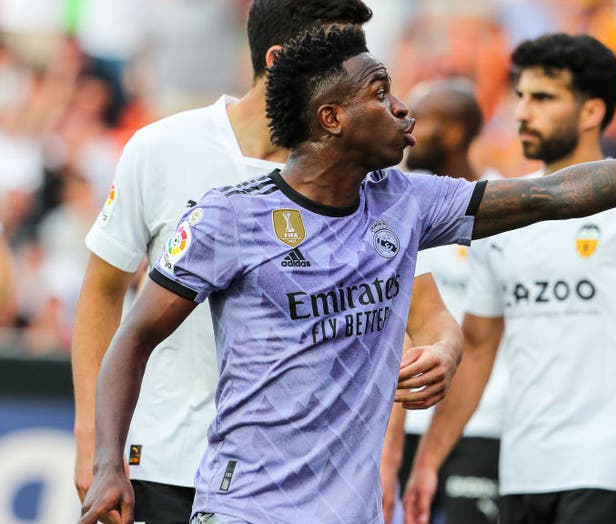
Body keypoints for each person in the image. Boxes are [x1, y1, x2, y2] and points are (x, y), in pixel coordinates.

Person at [78, 25, 616, 524]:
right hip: (245, 508)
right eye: (380, 93)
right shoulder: (228, 219)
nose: (403, 108)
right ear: (330, 119)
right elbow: (132, 339)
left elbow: (554, 195)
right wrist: (109, 460)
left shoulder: (406, 202)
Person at [71, 2, 461, 522]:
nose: (353, 64)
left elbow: (430, 317)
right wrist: (93, 442)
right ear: (279, 61)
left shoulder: (364, 179)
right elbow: (103, 291)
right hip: (165, 460)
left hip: (299, 486)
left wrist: (443, 352)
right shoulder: (161, 149)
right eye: (336, 51)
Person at [402, 33, 616, 524]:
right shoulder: (502, 212)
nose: (523, 113)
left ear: (591, 111)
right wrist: (429, 462)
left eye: (543, 98)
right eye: (521, 97)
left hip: (613, 468)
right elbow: (477, 349)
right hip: (522, 470)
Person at [388, 79, 508, 524]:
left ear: (456, 131)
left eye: (424, 118)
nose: (408, 126)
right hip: (405, 416)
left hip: (484, 423)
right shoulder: (396, 204)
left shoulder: (504, 206)